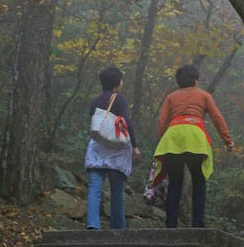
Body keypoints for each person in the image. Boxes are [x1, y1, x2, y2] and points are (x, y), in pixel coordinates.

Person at [154, 63, 234, 228]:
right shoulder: (204, 95)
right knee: (199, 180)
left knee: (175, 182)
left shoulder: (171, 97)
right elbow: (217, 117)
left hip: (173, 138)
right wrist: (228, 140)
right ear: (196, 81)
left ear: (179, 82)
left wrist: (163, 140)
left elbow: (162, 121)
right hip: (195, 138)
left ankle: (170, 224)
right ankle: (197, 223)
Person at [84, 65, 141, 230]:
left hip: (97, 148)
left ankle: (93, 224)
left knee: (94, 189)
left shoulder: (95, 101)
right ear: (117, 82)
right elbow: (126, 123)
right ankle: (118, 228)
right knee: (117, 192)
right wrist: (135, 146)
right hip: (117, 151)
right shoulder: (118, 98)